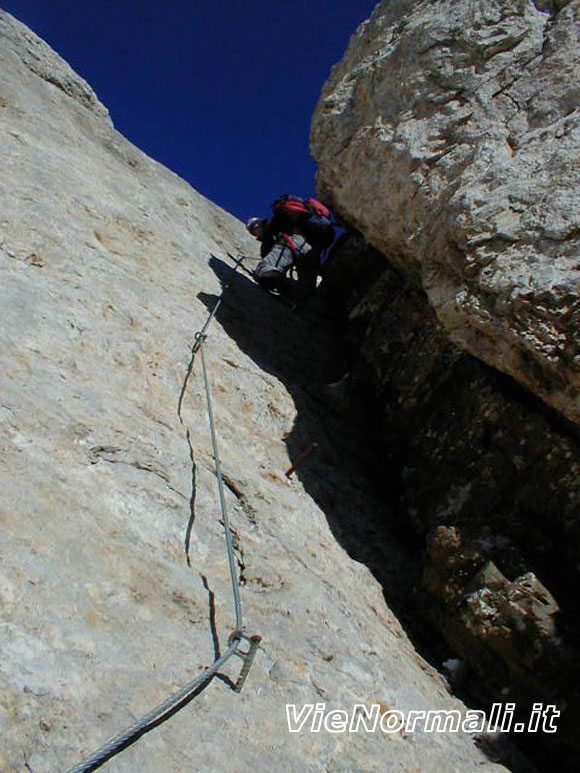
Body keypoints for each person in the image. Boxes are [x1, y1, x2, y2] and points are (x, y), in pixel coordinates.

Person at [246, 217, 316, 301]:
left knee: (264, 270)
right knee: (306, 288)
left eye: (256, 229)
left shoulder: (269, 230)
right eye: (254, 232)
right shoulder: (278, 222)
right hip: (308, 249)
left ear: (260, 224)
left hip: (289, 245)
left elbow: (268, 254)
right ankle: (303, 299)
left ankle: (290, 292)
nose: (257, 232)